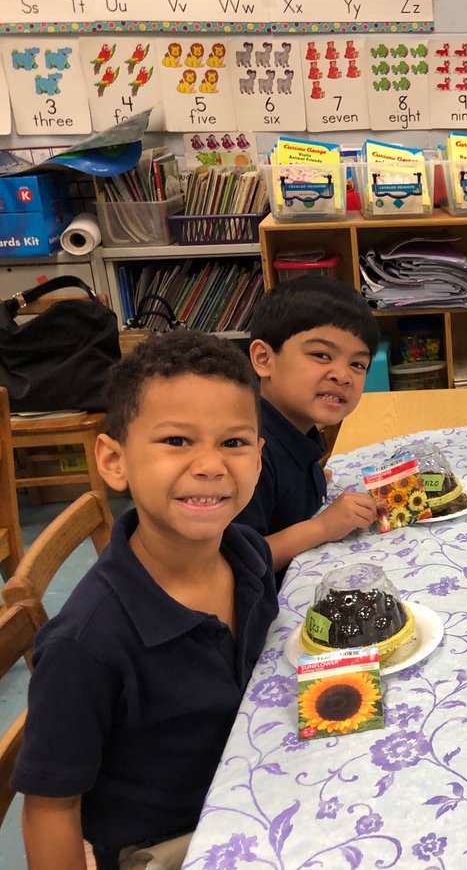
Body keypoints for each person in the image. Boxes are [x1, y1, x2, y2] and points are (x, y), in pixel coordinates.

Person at [15, 330, 279, 870]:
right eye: (177, 441)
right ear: (115, 461)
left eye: (233, 442)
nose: (210, 465)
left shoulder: (245, 552)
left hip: (260, 788)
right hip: (177, 849)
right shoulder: (87, 643)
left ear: (258, 457)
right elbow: (51, 809)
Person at [236, 275, 380, 581]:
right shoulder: (246, 450)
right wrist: (322, 527)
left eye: (358, 364)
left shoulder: (294, 429)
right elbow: (236, 564)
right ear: (264, 359)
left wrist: (312, 482)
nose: (342, 375)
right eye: (321, 355)